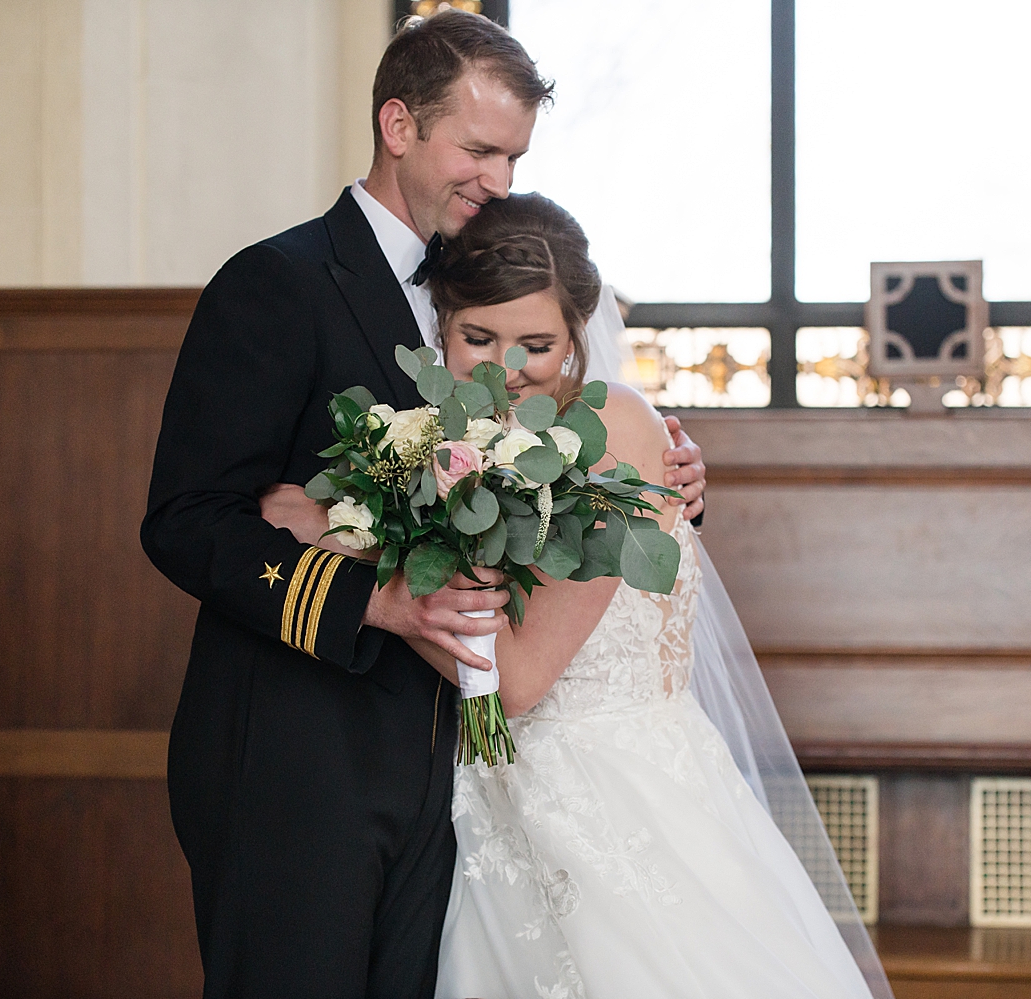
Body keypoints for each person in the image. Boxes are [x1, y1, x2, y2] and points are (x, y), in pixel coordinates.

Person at [141, 10, 705, 998]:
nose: (498, 180)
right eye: (478, 149)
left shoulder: (492, 278)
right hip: (298, 760)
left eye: (515, 156)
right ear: (398, 124)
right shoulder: (276, 284)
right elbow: (187, 519)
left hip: (458, 777)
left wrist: (671, 483)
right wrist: (372, 598)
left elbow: (557, 472)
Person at [265, 192, 893, 998]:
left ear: (576, 337)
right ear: (439, 324)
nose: (504, 367)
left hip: (617, 804)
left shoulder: (620, 429)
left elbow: (519, 681)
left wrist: (348, 545)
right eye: (476, 337)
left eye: (537, 343)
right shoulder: (449, 443)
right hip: (501, 805)